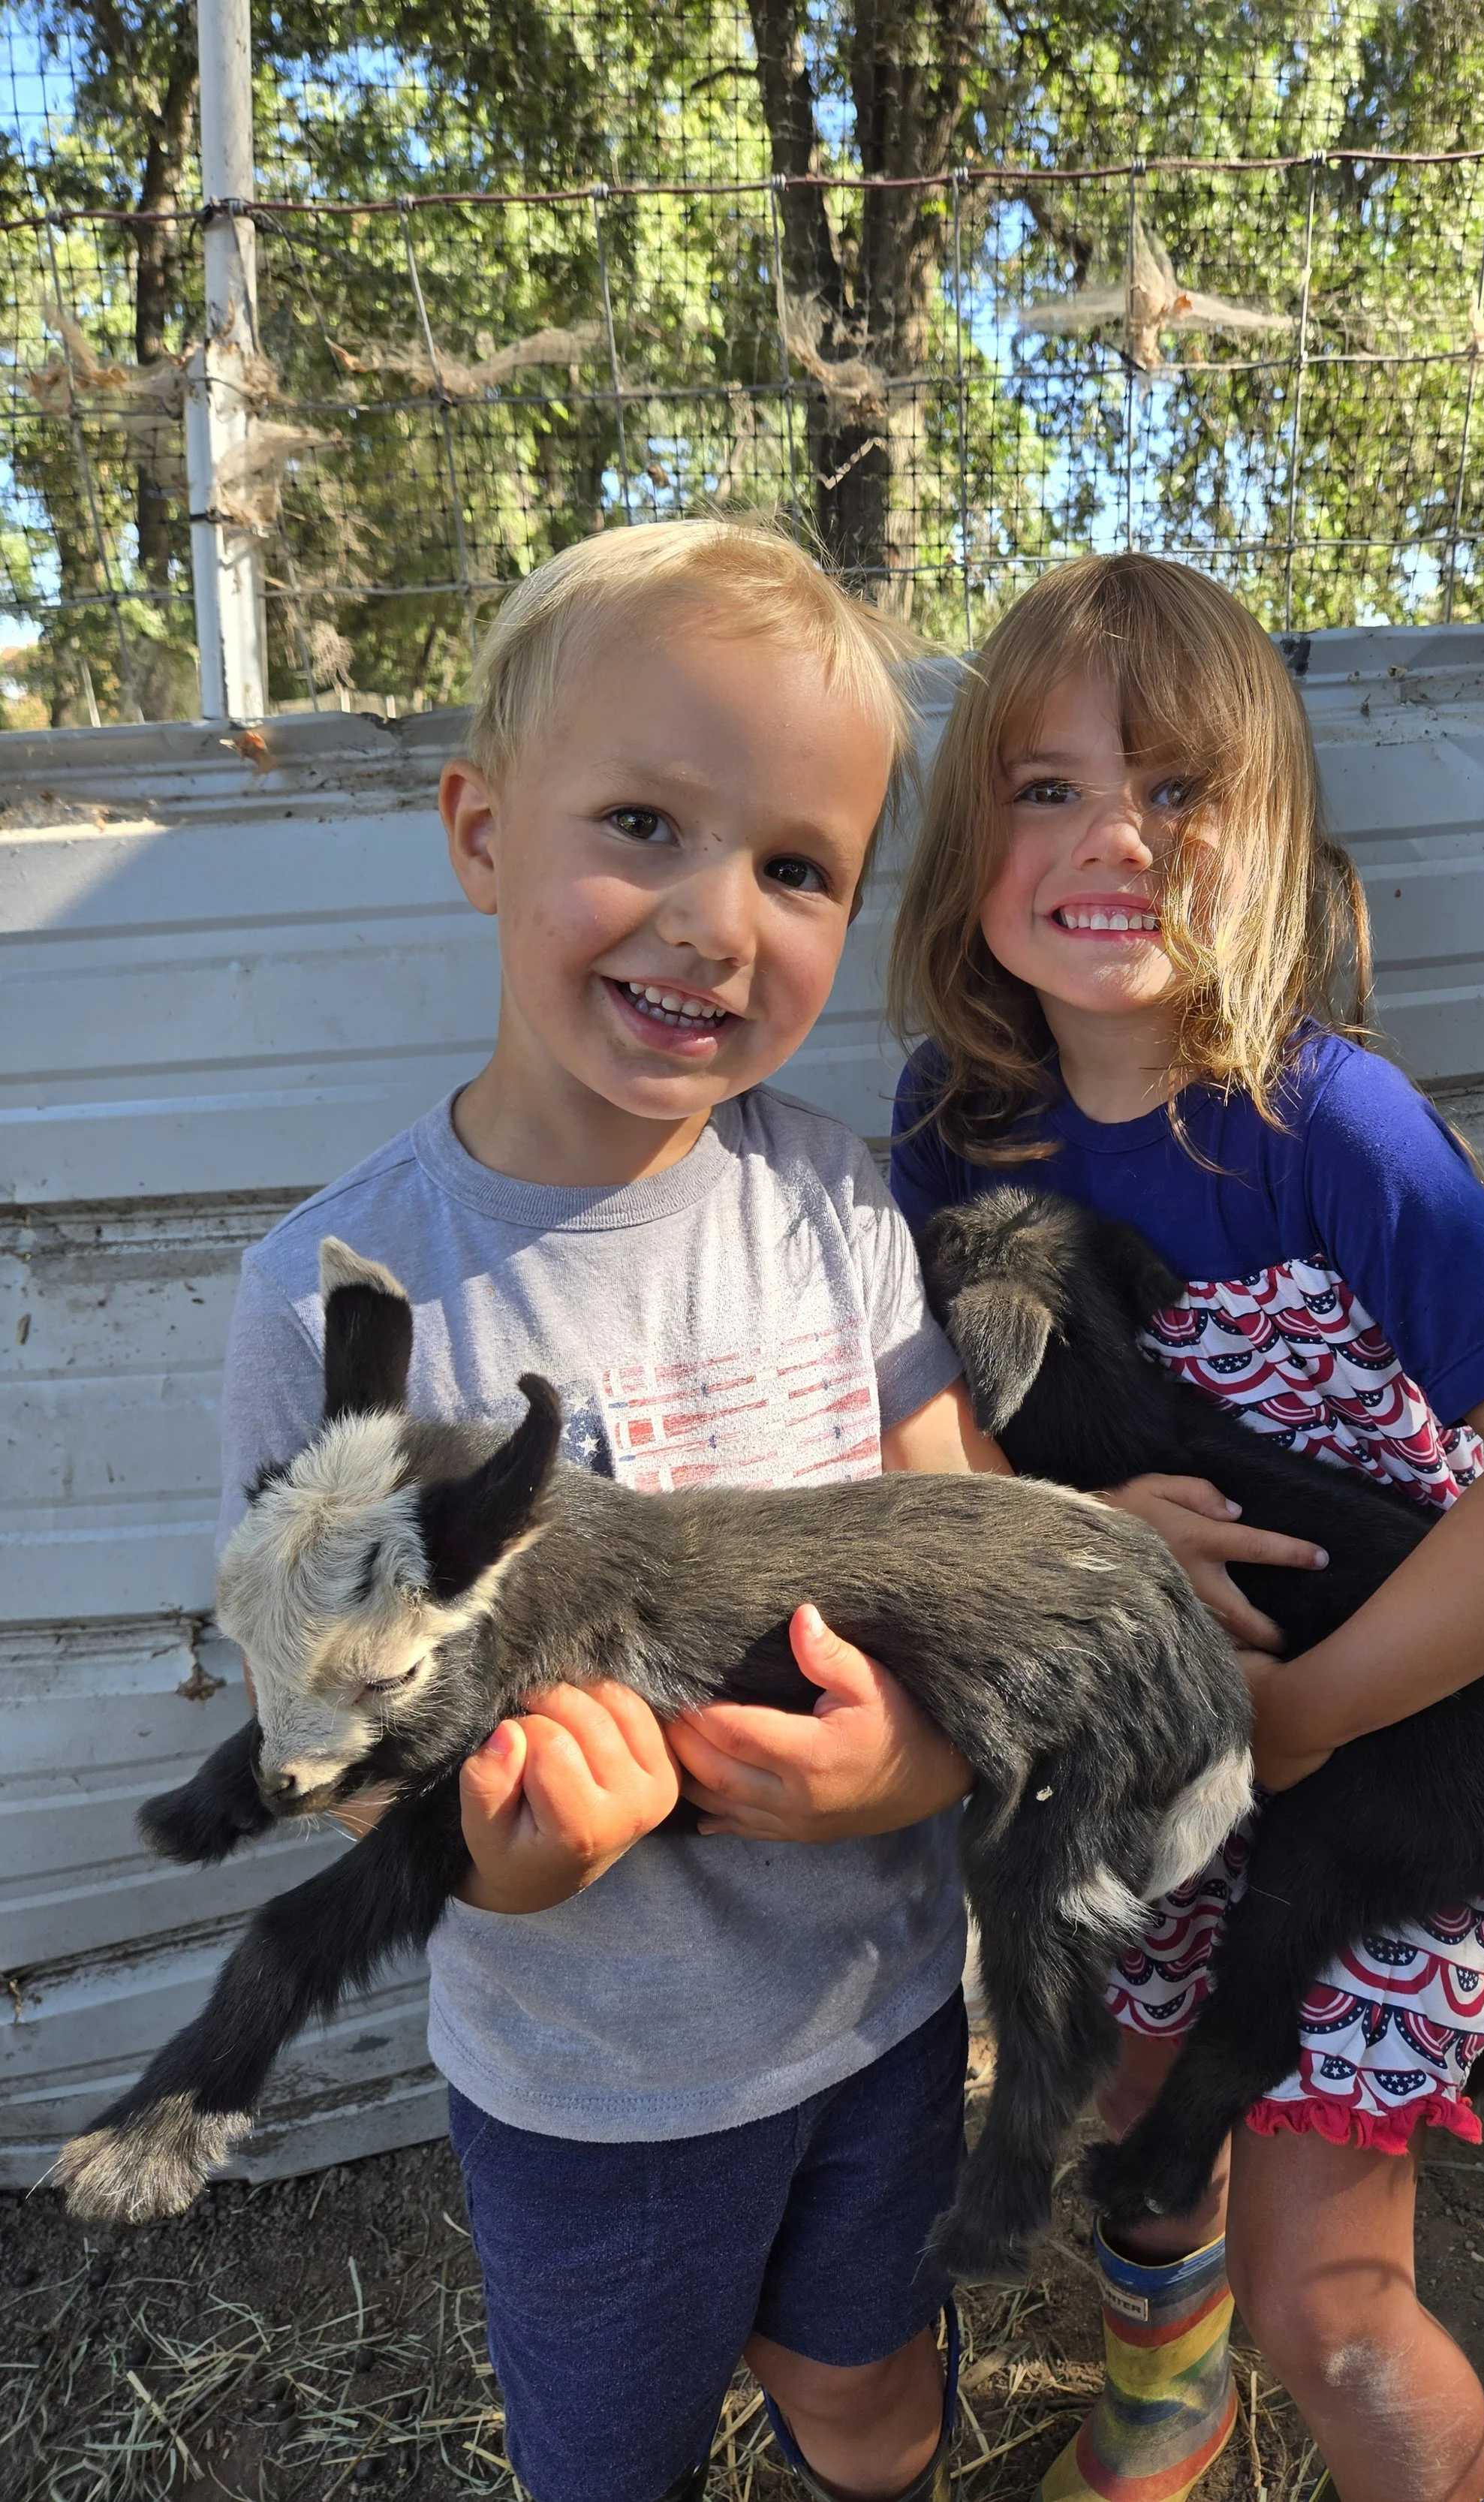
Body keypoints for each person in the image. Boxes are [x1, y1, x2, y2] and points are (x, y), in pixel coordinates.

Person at [217, 519, 1005, 2502]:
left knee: (867, 2396)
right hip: (593, 2096)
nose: (714, 919)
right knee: (610, 2454)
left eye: (795, 866)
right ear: (481, 830)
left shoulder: (836, 1204)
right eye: (644, 821)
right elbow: (330, 1740)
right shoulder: (334, 1301)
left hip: (884, 2013)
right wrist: (496, 1861)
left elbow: (968, 1562)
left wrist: (910, 1763)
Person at [886, 553, 1484, 2502]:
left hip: (1366, 1768)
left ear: (1272, 830)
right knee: (1137, 2103)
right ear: (967, 834)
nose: (1112, 839)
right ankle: (1166, 2392)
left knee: (1330, 2303)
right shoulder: (945, 1121)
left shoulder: (1329, 1127)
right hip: (1129, 1769)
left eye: (1175, 786)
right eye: (1045, 785)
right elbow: (928, 1437)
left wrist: (1305, 1714)